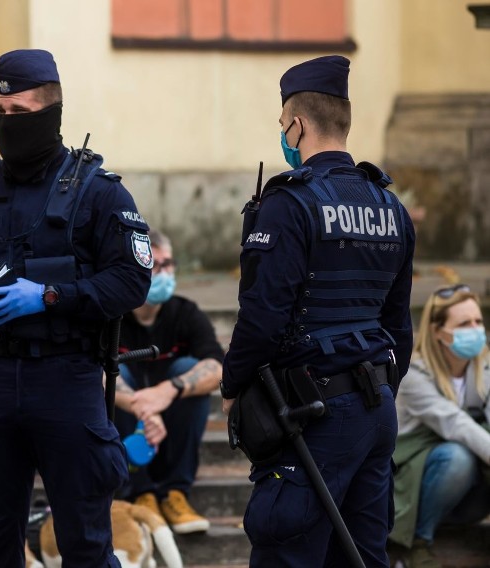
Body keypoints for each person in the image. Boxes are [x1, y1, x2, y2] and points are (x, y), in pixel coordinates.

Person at [0, 49, 152, 567]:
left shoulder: (99, 193)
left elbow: (131, 280)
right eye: (0, 113)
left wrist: (50, 296)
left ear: (53, 113)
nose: (8, 124)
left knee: (84, 542)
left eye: (21, 113)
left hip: (67, 380)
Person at [219, 55, 416, 567]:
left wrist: (232, 389)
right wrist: (381, 392)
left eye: (284, 124)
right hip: (376, 412)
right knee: (362, 556)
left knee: (289, 551)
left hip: (312, 416)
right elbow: (399, 324)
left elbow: (262, 316)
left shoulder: (289, 203)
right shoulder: (389, 205)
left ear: (298, 124)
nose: (283, 134)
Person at [113, 230, 224, 534]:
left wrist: (168, 390)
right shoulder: (112, 316)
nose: (163, 272)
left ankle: (176, 493)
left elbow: (217, 367)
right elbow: (90, 371)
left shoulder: (185, 313)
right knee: (114, 373)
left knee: (191, 368)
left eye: (168, 264)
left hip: (173, 438)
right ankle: (140, 494)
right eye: (154, 265)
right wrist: (144, 408)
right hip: (129, 445)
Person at [388, 284, 490, 568]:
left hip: (469, 499)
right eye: (464, 323)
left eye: (478, 321)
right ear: (438, 331)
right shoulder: (414, 375)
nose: (475, 329)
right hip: (413, 489)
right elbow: (454, 423)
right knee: (458, 456)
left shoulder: (484, 369)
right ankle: (415, 544)